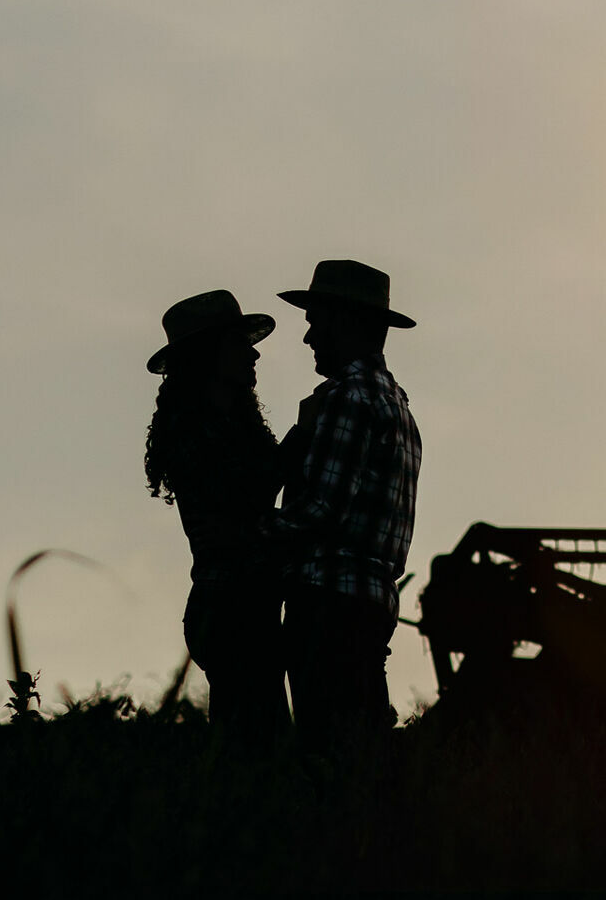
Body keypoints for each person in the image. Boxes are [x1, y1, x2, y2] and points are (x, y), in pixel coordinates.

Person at [267, 259, 422, 755]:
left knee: (326, 750)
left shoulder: (346, 397)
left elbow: (322, 511)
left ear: (346, 322)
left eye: (316, 322)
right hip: (372, 602)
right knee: (361, 745)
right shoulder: (398, 405)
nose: (309, 337)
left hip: (327, 601)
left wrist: (251, 532)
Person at [144, 290, 289, 740]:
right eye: (237, 344)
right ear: (210, 355)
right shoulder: (197, 438)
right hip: (231, 605)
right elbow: (243, 510)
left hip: (239, 603)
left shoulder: (219, 428)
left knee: (252, 742)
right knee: (255, 743)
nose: (252, 352)